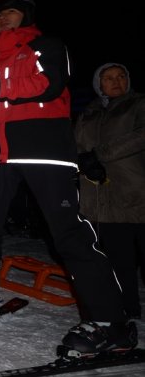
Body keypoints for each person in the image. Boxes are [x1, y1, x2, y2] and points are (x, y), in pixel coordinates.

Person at [0, 0, 136, 353]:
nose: (2, 19)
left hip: (44, 151)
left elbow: (50, 84)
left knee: (68, 234)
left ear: (25, 16)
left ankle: (111, 321)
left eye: (9, 13)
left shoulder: (46, 46)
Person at [74, 62, 145, 320]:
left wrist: (98, 156)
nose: (116, 81)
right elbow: (77, 144)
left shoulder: (139, 104)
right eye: (108, 78)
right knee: (118, 262)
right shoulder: (89, 112)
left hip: (138, 195)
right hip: (104, 200)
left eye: (121, 76)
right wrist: (83, 163)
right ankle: (126, 315)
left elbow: (141, 136)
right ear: (98, 84)